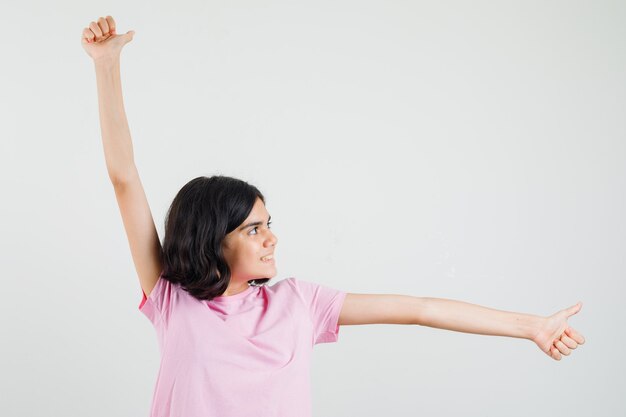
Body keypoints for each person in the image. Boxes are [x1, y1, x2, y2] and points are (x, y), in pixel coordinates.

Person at [81, 15, 586, 417]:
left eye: (269, 224)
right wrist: (106, 66)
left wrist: (532, 326)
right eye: (253, 229)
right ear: (214, 238)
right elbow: (124, 178)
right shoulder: (172, 299)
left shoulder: (299, 304)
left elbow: (421, 308)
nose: (271, 238)